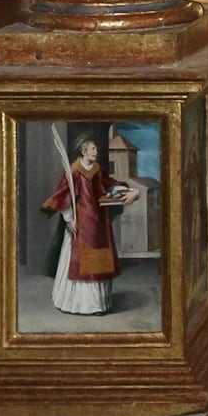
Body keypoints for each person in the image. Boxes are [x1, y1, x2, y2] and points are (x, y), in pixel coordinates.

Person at [42, 129, 139, 313]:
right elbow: (64, 196)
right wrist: (69, 219)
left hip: (98, 222)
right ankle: (80, 304)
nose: (96, 151)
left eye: (96, 148)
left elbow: (108, 184)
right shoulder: (74, 172)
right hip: (81, 221)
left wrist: (128, 191)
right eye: (93, 149)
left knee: (99, 258)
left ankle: (98, 304)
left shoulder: (96, 171)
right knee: (79, 260)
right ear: (84, 151)